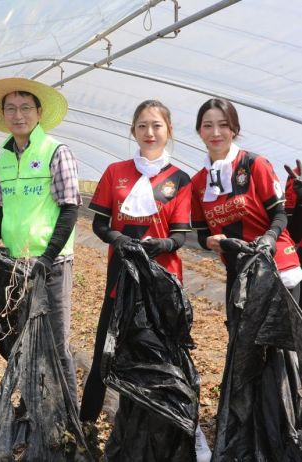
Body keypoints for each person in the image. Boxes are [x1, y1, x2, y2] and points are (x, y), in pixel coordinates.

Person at [77, 100, 212, 459]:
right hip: (120, 275)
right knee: (107, 348)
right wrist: (120, 240)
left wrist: (156, 247)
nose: (149, 133)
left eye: (156, 126)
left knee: (165, 357)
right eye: (142, 126)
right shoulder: (115, 171)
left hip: (162, 282)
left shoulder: (179, 179)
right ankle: (85, 423)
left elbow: (181, 235)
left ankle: (178, 429)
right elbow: (100, 224)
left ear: (168, 131)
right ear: (132, 131)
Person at [0, 77, 80, 406]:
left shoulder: (55, 152)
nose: (18, 115)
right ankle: (35, 407)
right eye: (11, 109)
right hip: (15, 265)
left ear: (38, 112)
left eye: (25, 108)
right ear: (4, 115)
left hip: (51, 265)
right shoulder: (3, 159)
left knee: (56, 342)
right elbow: (3, 209)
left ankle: (67, 419)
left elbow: (70, 208)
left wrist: (48, 257)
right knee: (24, 340)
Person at [190, 98, 302, 308]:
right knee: (241, 340)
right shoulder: (197, 183)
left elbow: (279, 214)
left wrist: (269, 237)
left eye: (223, 125)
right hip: (238, 272)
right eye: (208, 126)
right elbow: (202, 234)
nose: (215, 132)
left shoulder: (254, 164)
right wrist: (209, 242)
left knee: (284, 340)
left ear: (234, 129)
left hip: (277, 267)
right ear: (199, 132)